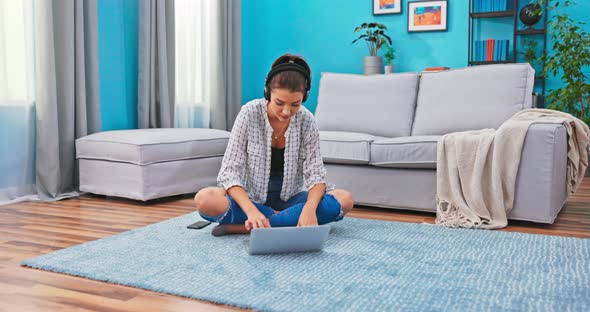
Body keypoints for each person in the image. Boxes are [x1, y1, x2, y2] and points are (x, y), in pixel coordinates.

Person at [194, 53, 354, 236]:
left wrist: (309, 209)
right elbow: (229, 173)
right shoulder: (249, 113)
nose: (287, 111)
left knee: (344, 199)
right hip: (253, 198)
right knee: (205, 199)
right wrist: (251, 210)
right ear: (268, 92)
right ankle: (285, 220)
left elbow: (316, 175)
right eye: (279, 103)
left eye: (295, 104)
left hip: (292, 198)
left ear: (305, 97)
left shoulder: (307, 120)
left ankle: (252, 227)